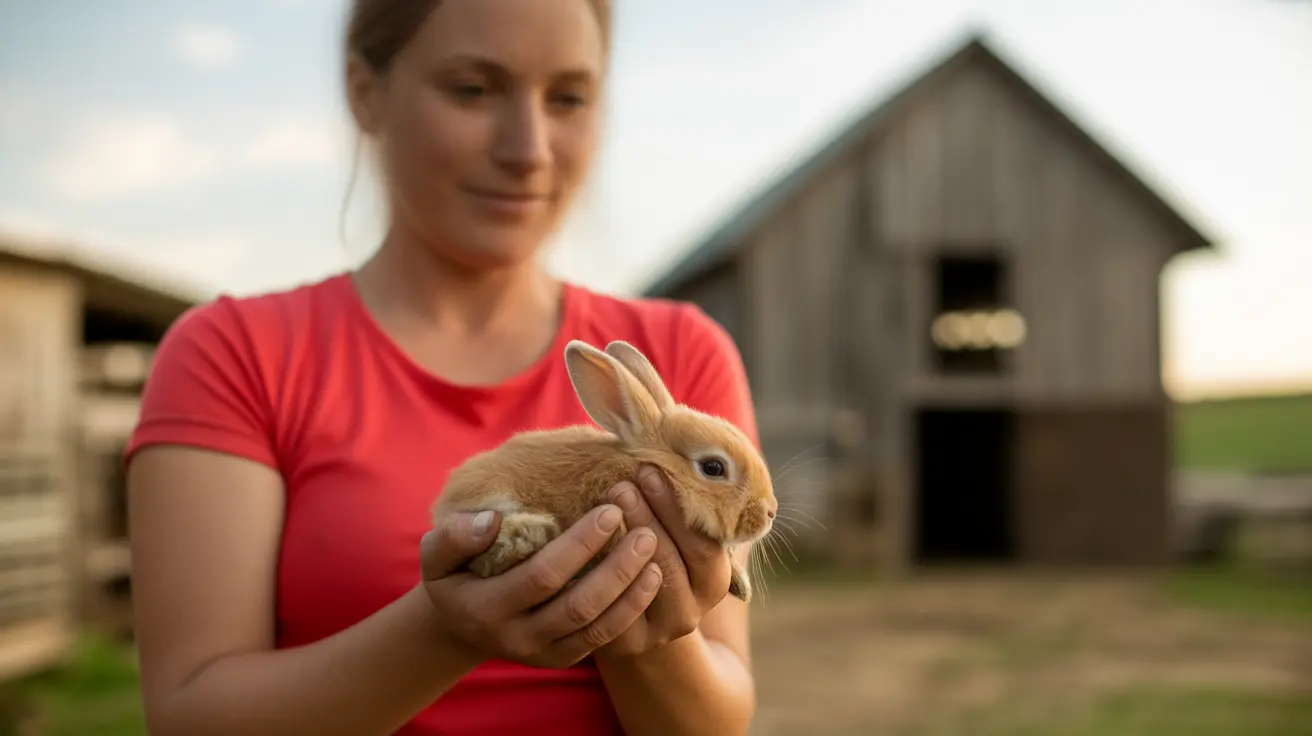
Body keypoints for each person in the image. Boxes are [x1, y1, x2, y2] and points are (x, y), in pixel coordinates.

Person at [123, 0, 761, 734]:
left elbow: (718, 722)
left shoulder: (682, 355)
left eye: (569, 97)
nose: (529, 147)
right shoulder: (232, 354)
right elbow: (191, 716)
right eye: (473, 89)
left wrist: (633, 626)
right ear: (365, 91)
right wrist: (446, 625)